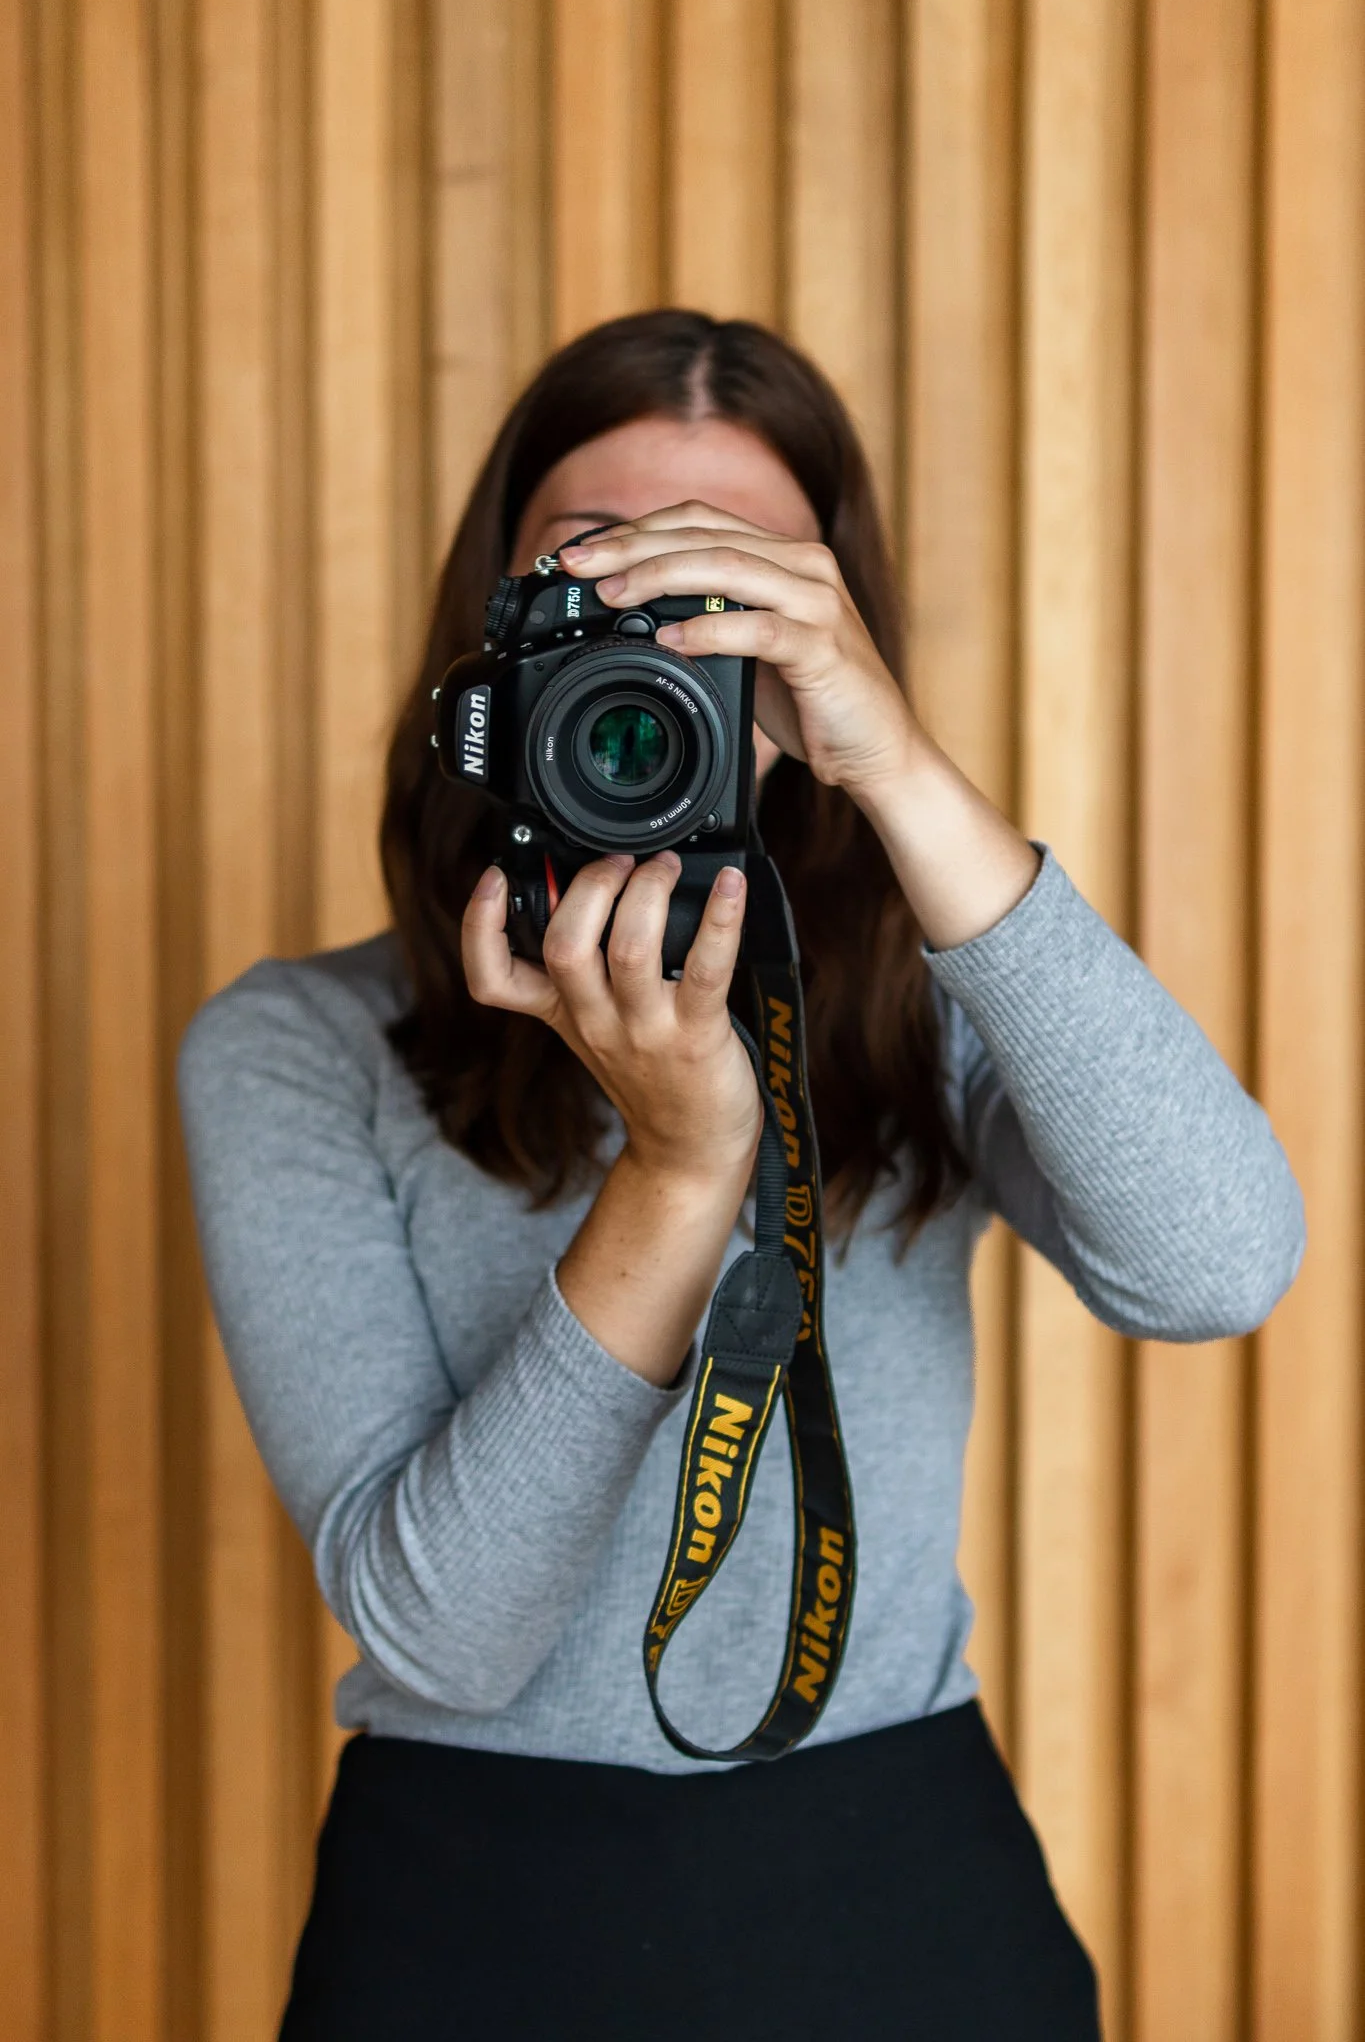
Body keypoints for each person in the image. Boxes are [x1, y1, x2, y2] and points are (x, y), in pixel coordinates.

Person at [178, 309, 1305, 2041]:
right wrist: (686, 1166)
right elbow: (444, 1639)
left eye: (728, 588)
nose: (651, 631)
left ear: (821, 639)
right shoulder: (298, 1044)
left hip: (903, 1887)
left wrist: (899, 768)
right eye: (596, 570)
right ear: (492, 638)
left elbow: (1220, 1263)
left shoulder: (923, 1001)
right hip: (472, 1920)